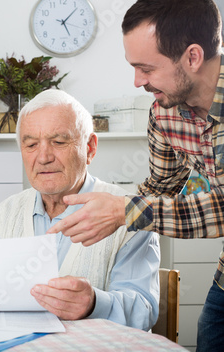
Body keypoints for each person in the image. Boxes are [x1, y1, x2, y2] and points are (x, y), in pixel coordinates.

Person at [47, 0, 224, 350]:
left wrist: (124, 211)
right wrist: (107, 214)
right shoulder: (165, 112)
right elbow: (161, 187)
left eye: (146, 68)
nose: (137, 81)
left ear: (192, 57)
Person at [0, 89, 160, 330]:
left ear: (90, 148)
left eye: (58, 142)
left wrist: (94, 304)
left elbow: (144, 310)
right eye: (31, 144)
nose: (43, 156)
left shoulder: (128, 211)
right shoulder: (5, 213)